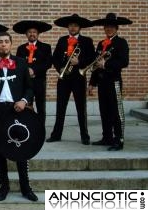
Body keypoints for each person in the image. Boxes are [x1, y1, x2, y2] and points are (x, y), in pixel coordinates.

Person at [0, 32, 37, 202]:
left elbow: (29, 87)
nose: (3, 45)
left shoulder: (20, 63)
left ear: (11, 44)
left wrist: (24, 100)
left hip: (17, 110)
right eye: (0, 42)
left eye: (6, 42)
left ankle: (25, 187)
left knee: (21, 148)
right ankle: (4, 186)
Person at [46, 14, 95, 145]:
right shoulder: (62, 40)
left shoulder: (87, 41)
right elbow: (55, 58)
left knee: (81, 108)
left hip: (79, 78)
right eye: (71, 25)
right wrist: (59, 69)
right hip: (64, 78)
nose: (73, 28)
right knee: (60, 107)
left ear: (80, 27)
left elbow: (92, 59)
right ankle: (56, 134)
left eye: (75, 25)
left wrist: (79, 61)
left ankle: (85, 136)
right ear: (68, 27)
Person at [88, 13, 132, 151]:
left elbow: (124, 62)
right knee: (104, 111)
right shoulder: (101, 44)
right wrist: (92, 83)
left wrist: (106, 64)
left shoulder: (121, 42)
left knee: (116, 111)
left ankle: (119, 140)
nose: (109, 29)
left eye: (111, 27)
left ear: (116, 28)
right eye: (106, 27)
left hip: (114, 82)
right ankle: (107, 137)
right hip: (102, 83)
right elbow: (95, 64)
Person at [14, 20, 52, 128]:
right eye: (29, 32)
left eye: (34, 32)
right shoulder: (21, 48)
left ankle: (40, 129)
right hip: (26, 82)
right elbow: (18, 64)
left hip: (39, 81)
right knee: (26, 105)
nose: (32, 34)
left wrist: (34, 70)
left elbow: (48, 64)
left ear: (38, 34)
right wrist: (26, 70)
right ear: (26, 34)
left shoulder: (46, 47)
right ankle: (28, 127)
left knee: (41, 107)